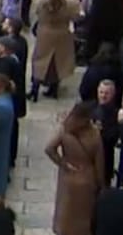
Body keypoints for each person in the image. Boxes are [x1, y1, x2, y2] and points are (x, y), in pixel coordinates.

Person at [46, 101, 106, 235]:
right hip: (87, 179)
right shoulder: (95, 134)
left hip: (68, 177)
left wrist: (63, 163)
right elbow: (99, 164)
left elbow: (49, 149)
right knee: (84, 216)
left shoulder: (65, 130)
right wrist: (102, 185)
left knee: (66, 213)